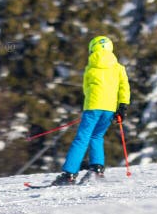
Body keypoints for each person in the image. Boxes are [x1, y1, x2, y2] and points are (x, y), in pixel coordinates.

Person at [51, 35, 130, 185]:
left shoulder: (91, 66)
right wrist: (122, 106)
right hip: (110, 108)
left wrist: (91, 106)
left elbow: (86, 89)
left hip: (93, 106)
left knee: (82, 138)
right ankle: (97, 169)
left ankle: (69, 174)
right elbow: (124, 87)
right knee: (97, 136)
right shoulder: (119, 68)